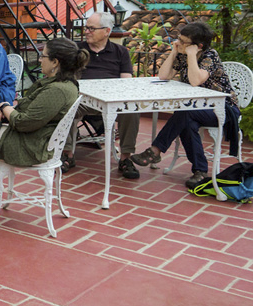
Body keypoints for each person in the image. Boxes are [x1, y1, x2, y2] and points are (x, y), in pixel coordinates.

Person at [128, 21, 240, 187]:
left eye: (183, 41)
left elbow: (195, 81)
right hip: (197, 108)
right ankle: (200, 171)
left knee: (185, 113)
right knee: (187, 120)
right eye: (178, 39)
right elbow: (163, 76)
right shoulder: (182, 54)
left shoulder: (210, 55)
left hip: (223, 108)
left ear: (198, 46)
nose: (178, 42)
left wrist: (191, 55)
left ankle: (156, 150)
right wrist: (174, 52)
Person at [62, 12, 141, 179]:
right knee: (66, 105)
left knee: (131, 109)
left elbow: (126, 81)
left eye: (91, 28)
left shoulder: (120, 52)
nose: (87, 31)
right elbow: (66, 76)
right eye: (87, 28)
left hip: (111, 100)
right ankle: (67, 154)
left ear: (107, 31)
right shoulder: (76, 50)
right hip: (83, 100)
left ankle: (126, 158)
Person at [0, 38, 88, 167]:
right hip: (29, 137)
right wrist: (6, 109)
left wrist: (4, 106)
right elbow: (27, 109)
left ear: (55, 62)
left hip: (29, 145)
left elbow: (23, 123)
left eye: (43, 56)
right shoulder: (60, 84)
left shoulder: (57, 91)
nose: (40, 60)